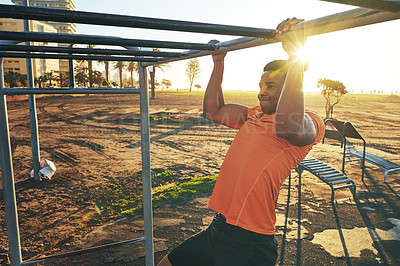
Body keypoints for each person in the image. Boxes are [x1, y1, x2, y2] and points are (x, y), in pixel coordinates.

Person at [158, 18, 325, 266]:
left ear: (291, 85)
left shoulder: (309, 121)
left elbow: (288, 127)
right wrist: (218, 63)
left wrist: (295, 60)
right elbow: (213, 110)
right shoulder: (253, 113)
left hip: (251, 243)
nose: (262, 91)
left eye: (271, 86)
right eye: (261, 85)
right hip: (219, 228)